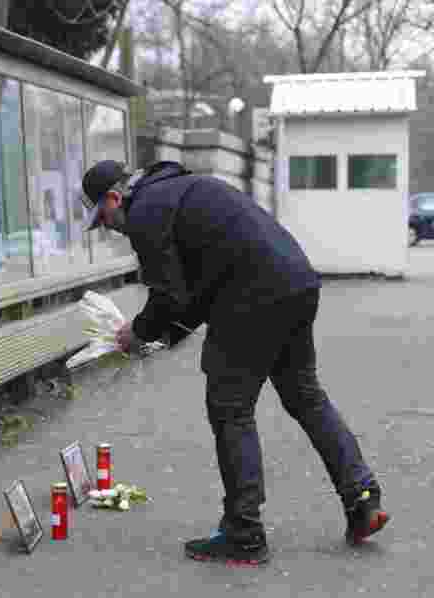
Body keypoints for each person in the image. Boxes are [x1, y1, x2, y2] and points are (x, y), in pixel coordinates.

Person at [80, 159, 389, 565]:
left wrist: (138, 332)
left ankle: (243, 531)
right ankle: (363, 499)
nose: (107, 227)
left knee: (230, 407)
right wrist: (164, 336)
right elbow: (197, 288)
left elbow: (169, 295)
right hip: (295, 281)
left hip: (253, 295)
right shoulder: (181, 189)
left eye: (102, 217)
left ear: (115, 198)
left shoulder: (145, 212)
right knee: (304, 396)